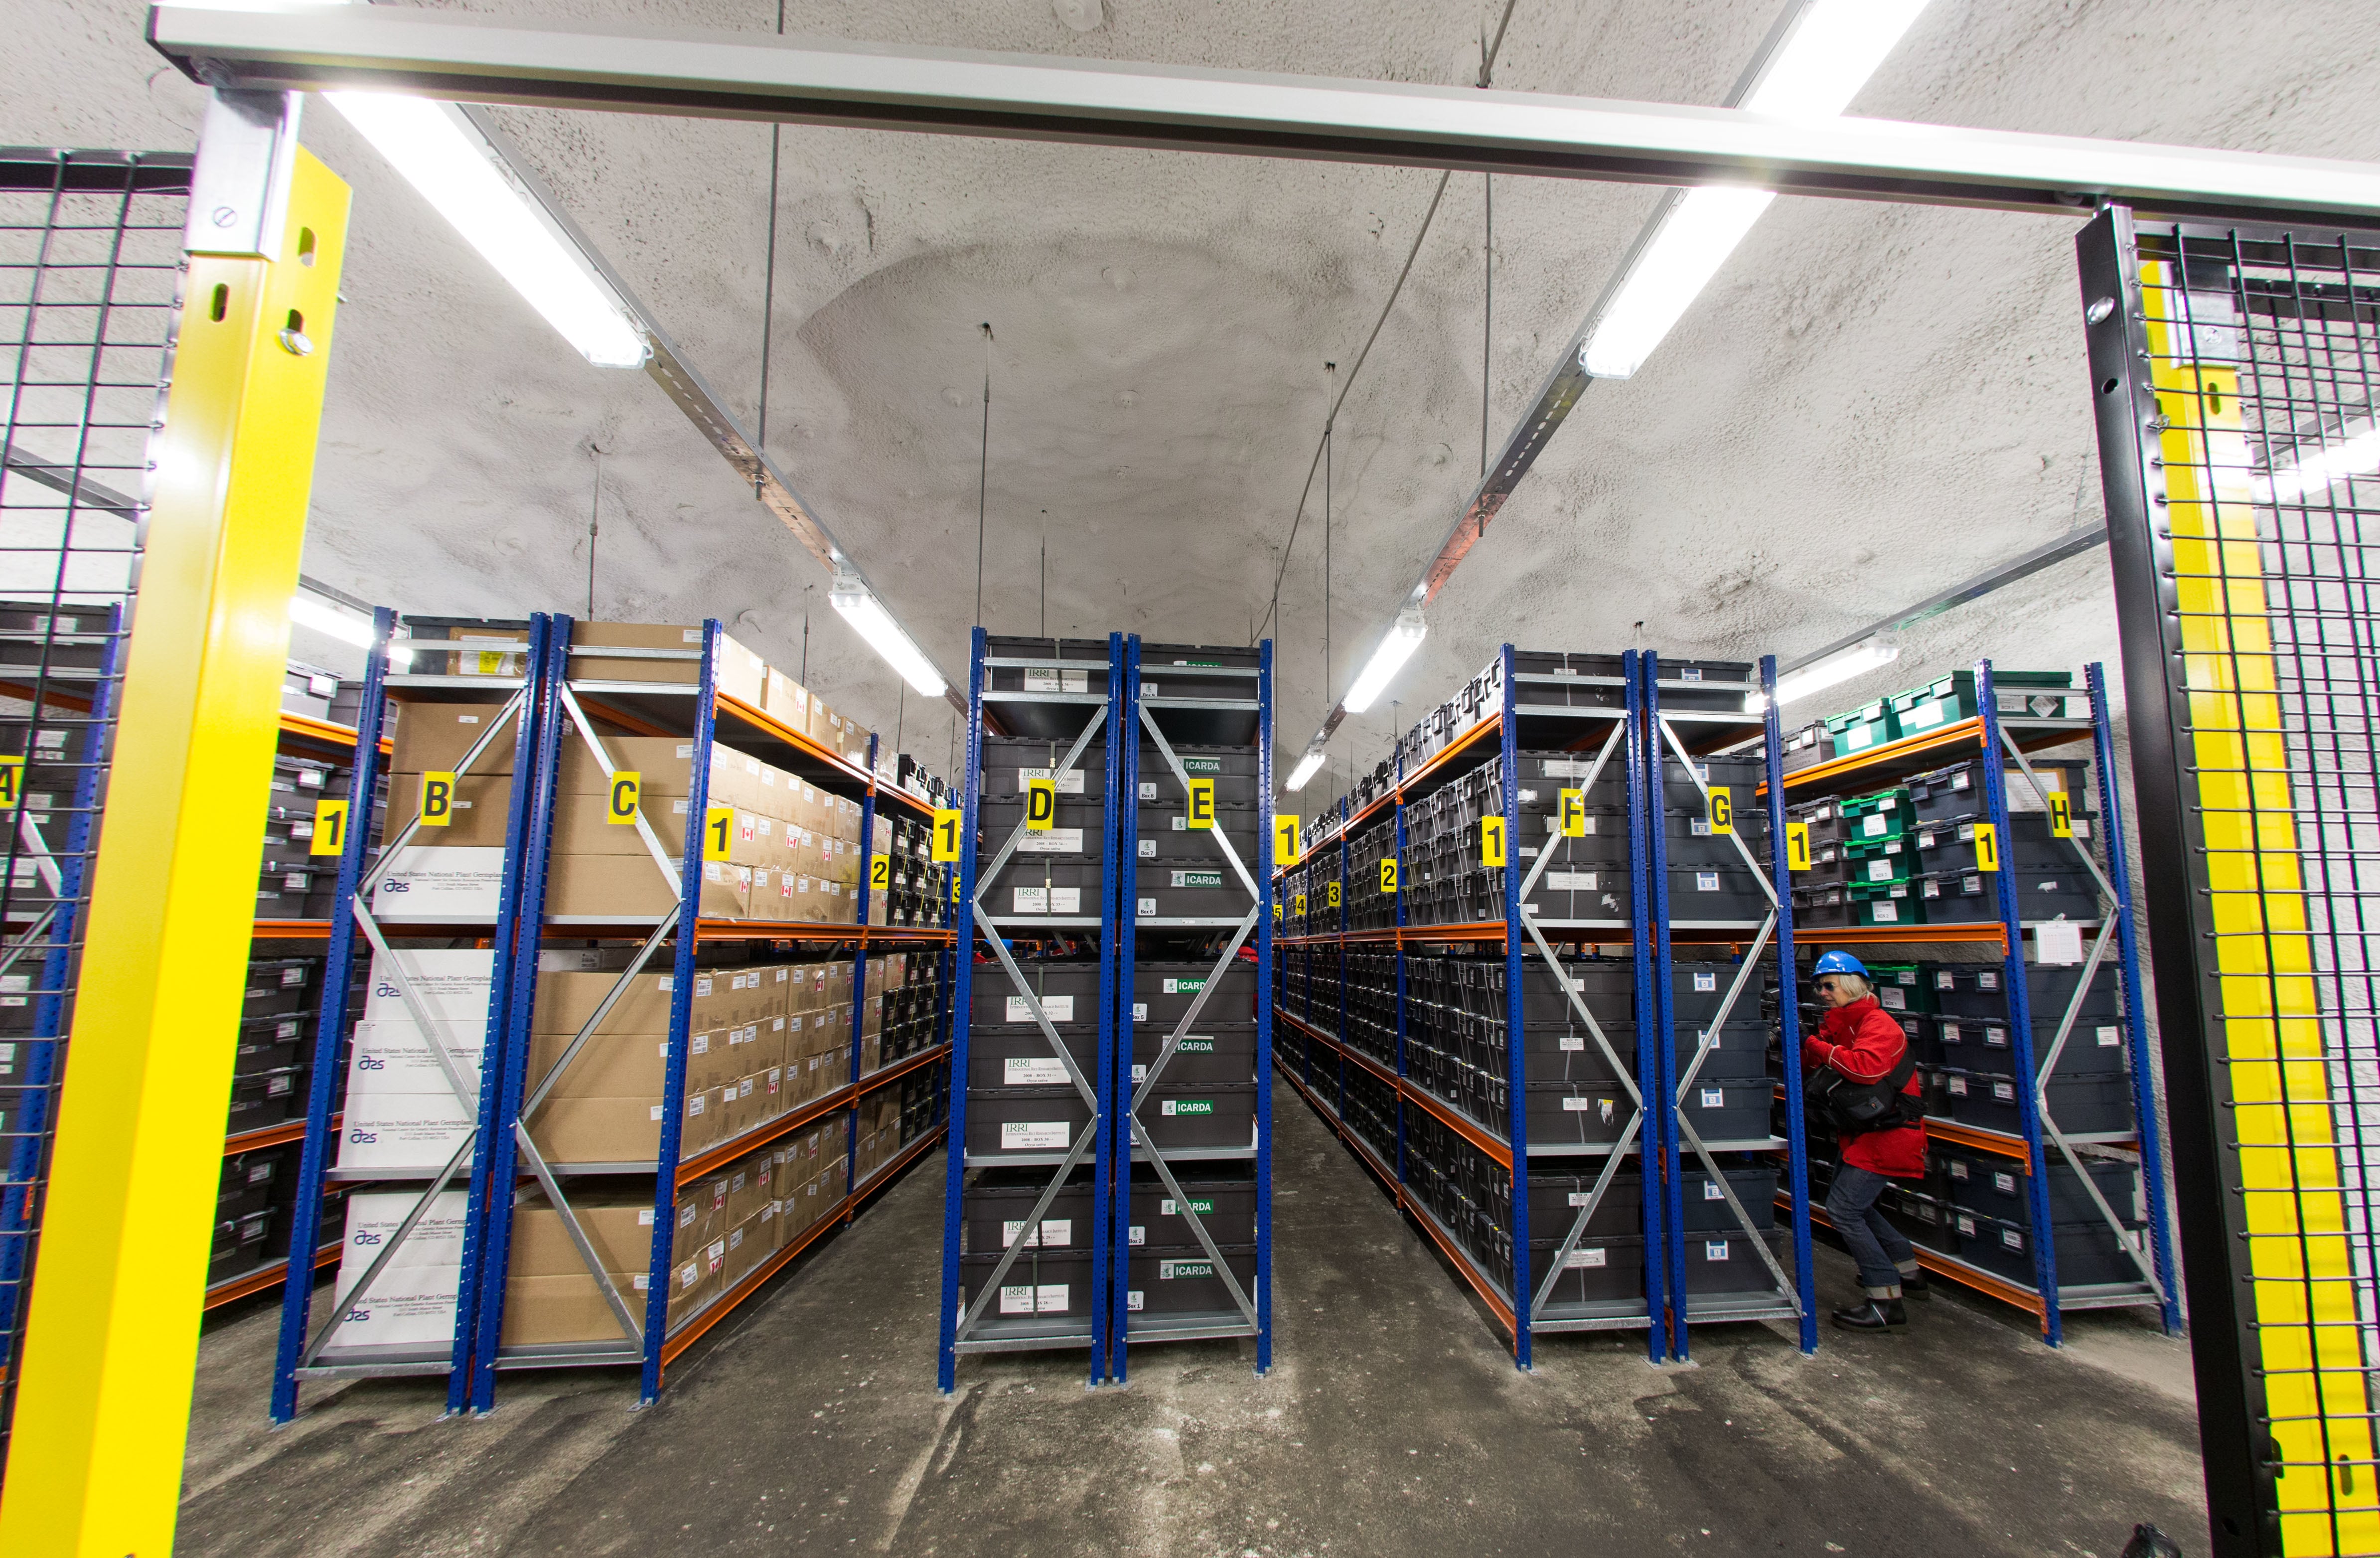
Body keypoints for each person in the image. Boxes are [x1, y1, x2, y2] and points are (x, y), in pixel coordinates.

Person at [1804, 949, 1930, 1330]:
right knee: (1856, 1204)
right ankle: (1908, 1272)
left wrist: (1815, 1046)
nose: (1823, 992)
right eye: (1819, 986)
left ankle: (1884, 1298)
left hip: (1889, 1136)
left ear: (1852, 984)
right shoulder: (1845, 1024)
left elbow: (1863, 1068)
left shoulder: (1879, 1024)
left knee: (1844, 1210)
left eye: (1829, 985)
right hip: (1863, 1133)